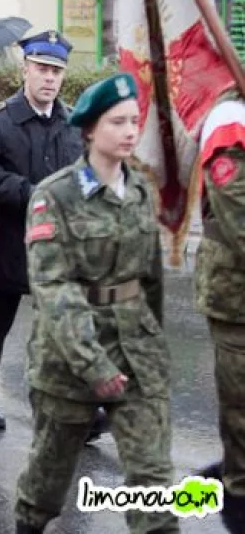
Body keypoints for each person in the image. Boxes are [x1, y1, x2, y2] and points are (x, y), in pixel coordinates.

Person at [15, 73, 177, 534]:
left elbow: (151, 279)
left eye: (134, 121)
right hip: (68, 358)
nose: (130, 131)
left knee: (153, 480)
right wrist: (94, 365)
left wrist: (155, 345)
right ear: (89, 129)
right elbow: (54, 288)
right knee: (47, 480)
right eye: (117, 122)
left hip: (136, 352)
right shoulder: (55, 195)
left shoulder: (141, 189)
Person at [0, 30, 84, 430]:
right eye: (42, 69)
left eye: (56, 71)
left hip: (59, 245)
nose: (49, 78)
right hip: (9, 239)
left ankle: (71, 406)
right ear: (25, 69)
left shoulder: (75, 123)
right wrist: (27, 193)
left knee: (66, 326)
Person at [191, 94, 245, 532]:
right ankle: (238, 493)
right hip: (237, 297)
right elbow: (239, 221)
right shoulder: (232, 123)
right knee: (241, 400)